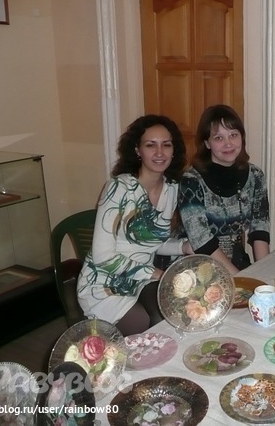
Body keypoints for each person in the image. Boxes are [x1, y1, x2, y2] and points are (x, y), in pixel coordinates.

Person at [77, 115, 193, 336]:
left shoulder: (171, 188)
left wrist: (183, 247)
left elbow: (150, 243)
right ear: (138, 150)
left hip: (140, 279)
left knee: (168, 313)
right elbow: (102, 257)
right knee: (140, 321)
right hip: (103, 282)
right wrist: (156, 272)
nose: (159, 152)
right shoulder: (119, 188)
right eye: (150, 145)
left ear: (174, 150)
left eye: (166, 145)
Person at [178, 104, 270, 275]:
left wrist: (264, 273)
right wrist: (239, 279)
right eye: (218, 138)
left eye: (233, 135)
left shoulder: (255, 175)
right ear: (207, 143)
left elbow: (260, 229)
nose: (228, 143)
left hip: (237, 262)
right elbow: (201, 240)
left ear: (242, 137)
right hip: (196, 268)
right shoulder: (191, 181)